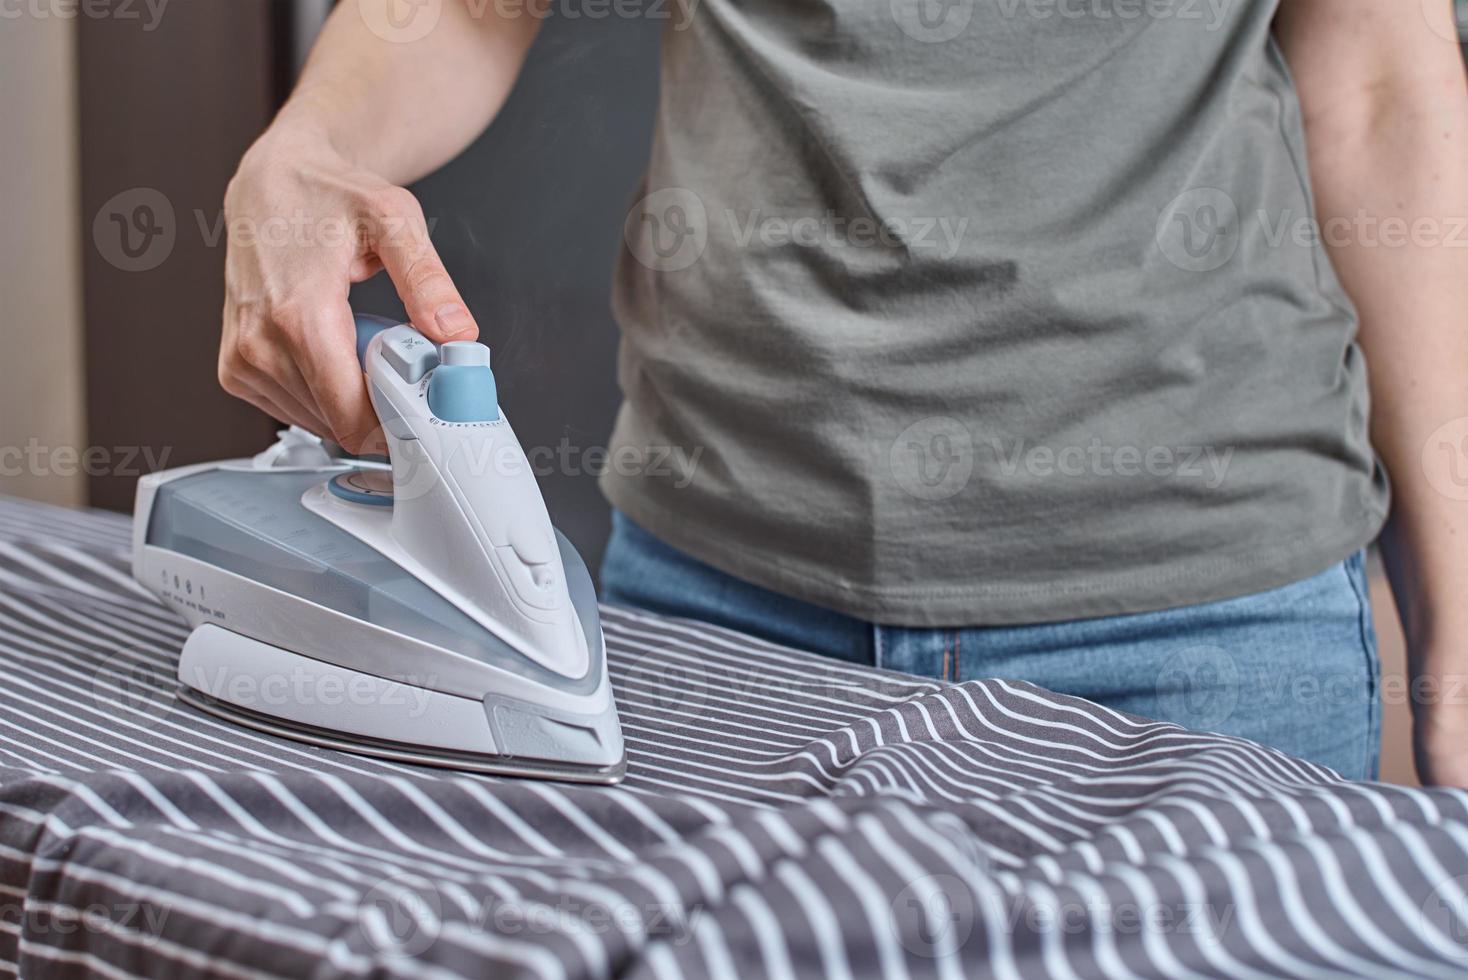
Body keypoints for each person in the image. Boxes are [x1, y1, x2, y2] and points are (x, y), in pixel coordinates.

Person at [218, 0, 1468, 783]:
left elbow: (1375, 85)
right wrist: (307, 151)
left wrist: (1457, 584)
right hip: (724, 599)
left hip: (1204, 621)